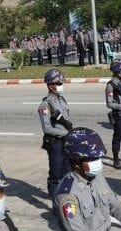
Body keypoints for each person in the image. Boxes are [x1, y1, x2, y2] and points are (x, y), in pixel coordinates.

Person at [38, 69, 72, 198]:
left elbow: (66, 119)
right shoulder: (45, 105)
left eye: (61, 83)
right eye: (58, 84)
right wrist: (65, 133)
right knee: (56, 174)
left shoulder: (62, 100)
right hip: (55, 143)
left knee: (67, 171)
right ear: (50, 85)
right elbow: (47, 128)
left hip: (65, 141)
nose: (61, 86)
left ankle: (65, 197)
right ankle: (54, 201)